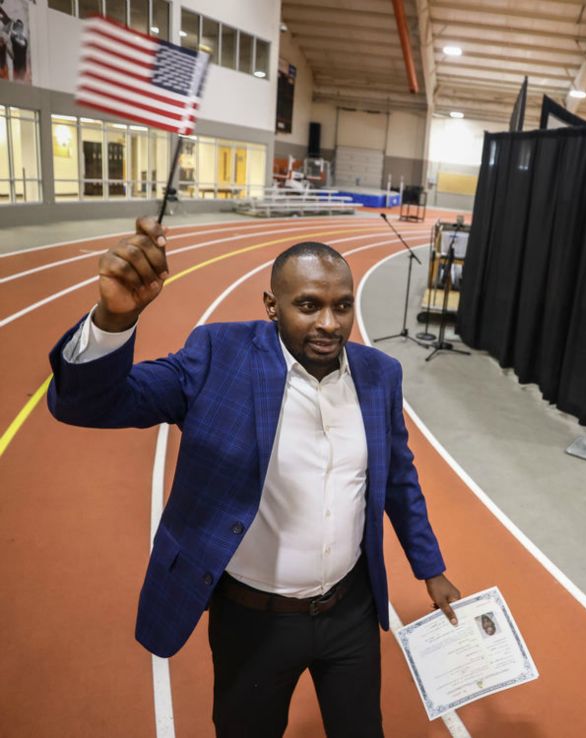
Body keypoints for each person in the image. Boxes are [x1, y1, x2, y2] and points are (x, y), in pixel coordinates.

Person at [46, 218, 461, 737]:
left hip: (350, 611)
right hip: (255, 620)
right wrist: (113, 319)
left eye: (342, 306)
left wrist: (431, 568)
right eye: (308, 305)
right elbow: (88, 403)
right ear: (271, 307)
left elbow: (399, 479)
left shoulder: (380, 374)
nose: (329, 323)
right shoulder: (218, 355)